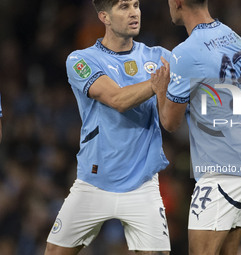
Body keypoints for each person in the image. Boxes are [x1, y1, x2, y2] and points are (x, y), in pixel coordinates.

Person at [44, 0, 172, 254]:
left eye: (136, 5)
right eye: (124, 7)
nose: (134, 12)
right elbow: (117, 99)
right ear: (104, 16)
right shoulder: (81, 60)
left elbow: (200, 88)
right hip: (93, 182)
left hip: (142, 184)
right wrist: (157, 83)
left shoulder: (159, 57)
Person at [152, 0, 241, 254]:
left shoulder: (186, 52)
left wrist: (161, 90)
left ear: (178, 2)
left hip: (222, 168)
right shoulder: (234, 37)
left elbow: (170, 122)